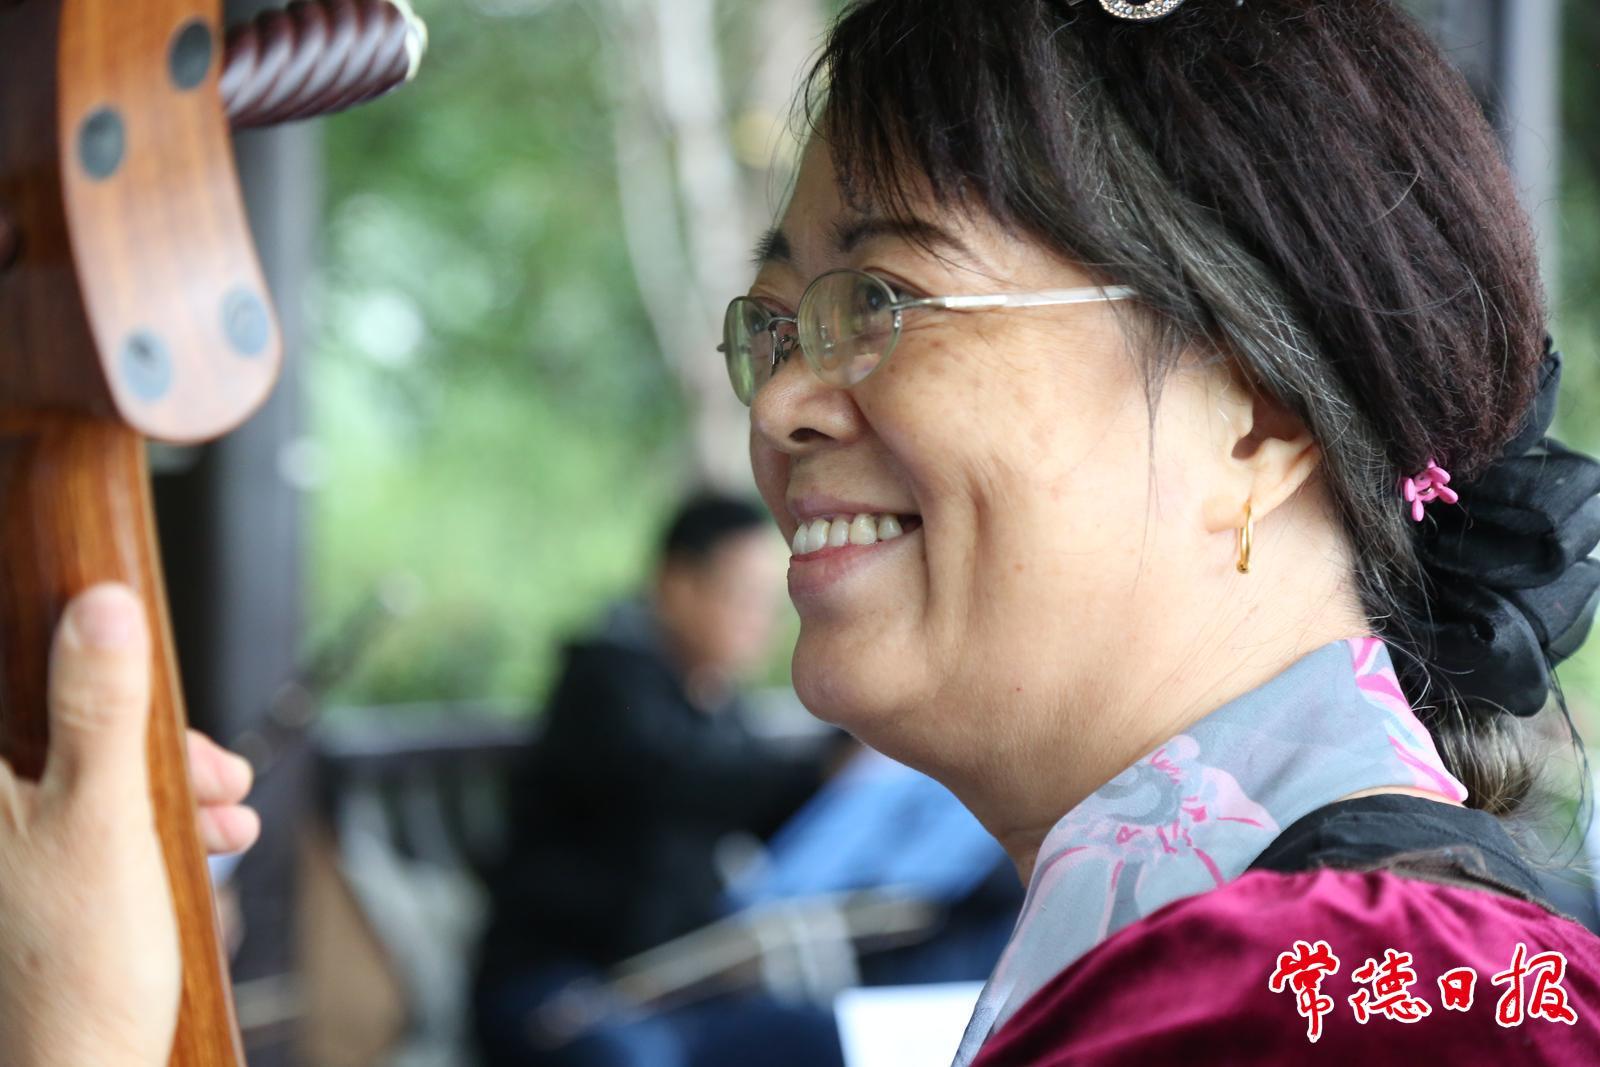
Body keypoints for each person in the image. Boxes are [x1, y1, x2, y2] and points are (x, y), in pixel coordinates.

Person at [7, 1, 1600, 1063]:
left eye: (882, 296)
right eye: (774, 323)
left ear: (1256, 412)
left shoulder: (1376, 999)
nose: (779, 402)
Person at [471, 492, 847, 1067]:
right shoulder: (603, 679)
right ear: (676, 584)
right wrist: (822, 768)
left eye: (770, 605)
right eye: (743, 598)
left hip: (677, 994)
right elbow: (676, 778)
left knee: (825, 1037)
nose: (761, 624)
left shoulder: (719, 703)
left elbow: (766, 816)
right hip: (561, 984)